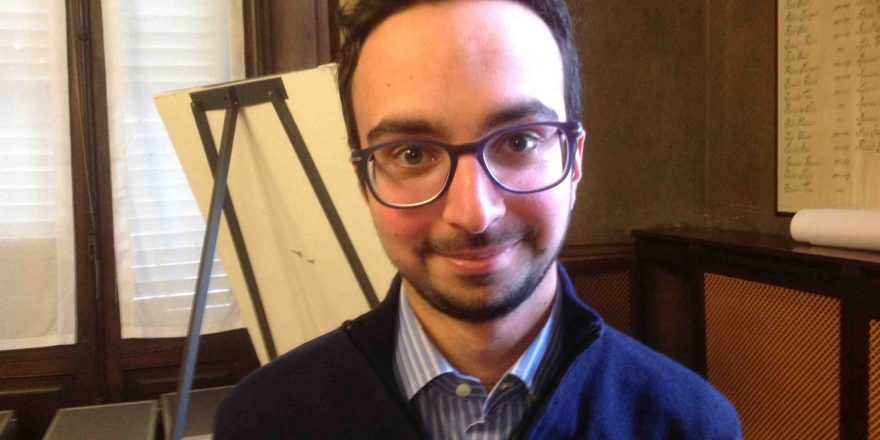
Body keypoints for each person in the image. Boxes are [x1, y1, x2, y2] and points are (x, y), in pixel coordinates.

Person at [214, 0, 742, 438]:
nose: (474, 213)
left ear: (574, 161)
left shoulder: (691, 426)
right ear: (363, 181)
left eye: (520, 141)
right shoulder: (262, 422)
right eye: (413, 154)